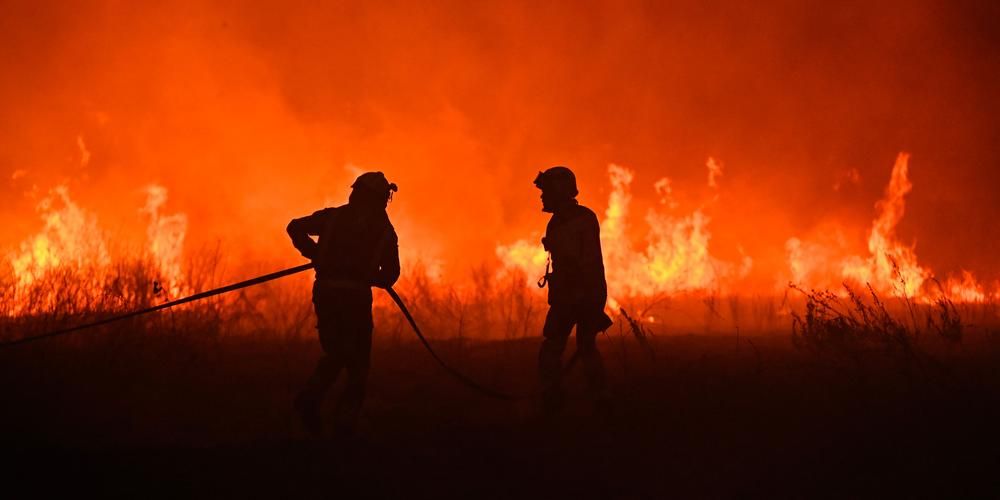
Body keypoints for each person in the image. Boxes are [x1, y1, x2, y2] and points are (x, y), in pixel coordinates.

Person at [286, 171, 400, 436]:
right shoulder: (384, 231)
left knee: (338, 353)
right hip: (355, 300)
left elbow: (295, 227)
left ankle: (314, 404)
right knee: (357, 363)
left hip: (327, 295)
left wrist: (315, 254)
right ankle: (340, 422)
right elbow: (391, 274)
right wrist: (371, 276)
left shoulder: (333, 218)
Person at [534, 166, 613, 415]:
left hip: (582, 295)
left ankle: (600, 401)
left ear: (559, 191)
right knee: (554, 349)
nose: (542, 196)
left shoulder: (582, 220)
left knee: (584, 347)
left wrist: (588, 301)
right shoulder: (557, 223)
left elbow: (586, 263)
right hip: (567, 297)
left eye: (546, 191)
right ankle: (554, 400)